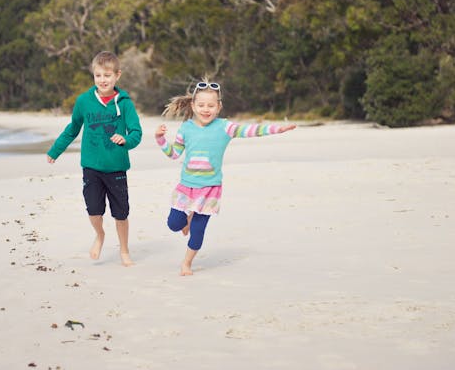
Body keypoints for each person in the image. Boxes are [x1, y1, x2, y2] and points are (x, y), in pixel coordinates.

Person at [155, 80, 296, 276]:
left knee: (198, 232)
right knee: (174, 224)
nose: (206, 110)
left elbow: (251, 131)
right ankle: (186, 219)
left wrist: (276, 129)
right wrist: (160, 139)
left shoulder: (225, 127)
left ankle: (186, 263)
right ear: (193, 106)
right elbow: (174, 154)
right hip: (187, 187)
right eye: (202, 105)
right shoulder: (186, 128)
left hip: (209, 189)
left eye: (211, 106)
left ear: (219, 107)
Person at [47, 51, 142, 267]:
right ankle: (100, 235)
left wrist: (125, 140)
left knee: (121, 214)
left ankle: (124, 251)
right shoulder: (84, 101)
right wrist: (55, 150)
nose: (102, 80)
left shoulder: (125, 103)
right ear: (94, 76)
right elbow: (73, 129)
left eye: (107, 75)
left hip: (116, 167)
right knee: (94, 211)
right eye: (98, 75)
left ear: (117, 75)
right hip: (91, 167)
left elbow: (136, 133)